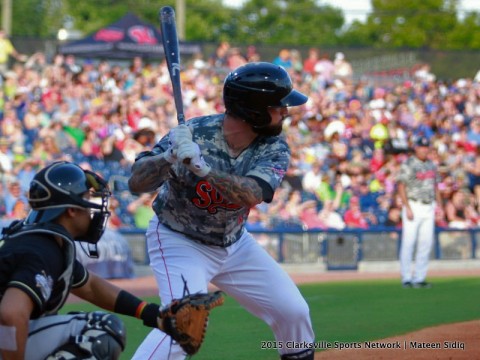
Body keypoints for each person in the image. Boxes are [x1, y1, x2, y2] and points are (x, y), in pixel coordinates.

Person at [128, 62, 315, 359]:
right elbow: (137, 181)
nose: (286, 111)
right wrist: (168, 157)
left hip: (235, 243)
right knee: (182, 325)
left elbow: (252, 194)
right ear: (253, 110)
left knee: (293, 312)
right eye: (278, 106)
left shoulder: (274, 145)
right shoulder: (194, 132)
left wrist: (203, 169)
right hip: (179, 241)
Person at [0, 161, 170, 359]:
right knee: (101, 330)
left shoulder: (44, 241)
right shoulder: (41, 248)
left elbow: (90, 286)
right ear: (71, 210)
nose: (92, 209)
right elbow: (10, 314)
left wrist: (149, 312)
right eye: (87, 199)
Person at [397, 137, 442, 289]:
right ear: (416, 148)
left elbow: (436, 186)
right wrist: (407, 207)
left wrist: (440, 206)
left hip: (429, 206)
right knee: (409, 242)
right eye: (421, 147)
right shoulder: (409, 163)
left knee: (426, 243)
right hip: (414, 204)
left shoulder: (431, 165)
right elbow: (401, 186)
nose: (424, 149)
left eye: (426, 147)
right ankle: (407, 278)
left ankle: (420, 277)